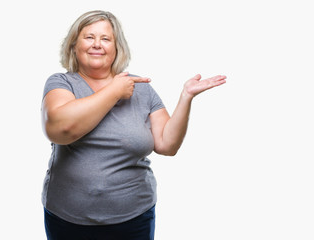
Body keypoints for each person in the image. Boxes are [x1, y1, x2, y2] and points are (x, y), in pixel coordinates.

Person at [41, 10, 226, 240]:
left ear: (117, 47)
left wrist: (186, 97)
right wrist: (115, 91)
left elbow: (167, 145)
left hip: (134, 219)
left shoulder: (141, 88)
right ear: (74, 45)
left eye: (106, 39)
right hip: (68, 220)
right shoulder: (61, 83)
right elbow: (60, 129)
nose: (97, 44)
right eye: (89, 37)